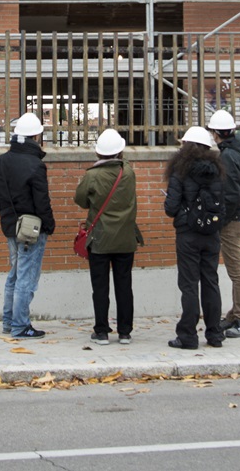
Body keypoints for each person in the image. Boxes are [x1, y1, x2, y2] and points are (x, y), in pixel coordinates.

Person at [73, 128, 142, 345]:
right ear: (120, 152)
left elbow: (81, 200)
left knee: (100, 287)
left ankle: (101, 331)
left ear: (98, 153)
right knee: (124, 285)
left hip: (100, 238)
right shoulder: (129, 173)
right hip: (125, 238)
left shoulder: (92, 175)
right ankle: (125, 332)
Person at [0, 111, 54, 339]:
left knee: (14, 275)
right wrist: (49, 224)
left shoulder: (0, 162)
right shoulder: (35, 164)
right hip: (31, 230)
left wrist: (8, 218)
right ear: (36, 136)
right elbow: (42, 201)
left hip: (10, 226)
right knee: (26, 278)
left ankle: (9, 322)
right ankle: (20, 325)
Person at [163, 126, 226, 350]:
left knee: (189, 285)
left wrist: (182, 212)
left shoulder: (179, 171)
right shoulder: (217, 171)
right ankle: (215, 334)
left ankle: (188, 336)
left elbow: (170, 208)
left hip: (188, 235)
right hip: (211, 234)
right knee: (211, 282)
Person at [209, 108, 240, 338]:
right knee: (237, 268)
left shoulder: (227, 156)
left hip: (234, 219)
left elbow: (232, 194)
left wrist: (222, 220)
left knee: (237, 270)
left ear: (216, 133)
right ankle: (235, 314)